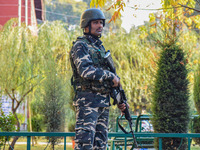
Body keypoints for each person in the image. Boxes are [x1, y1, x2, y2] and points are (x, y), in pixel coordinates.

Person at [70, 8, 127, 150]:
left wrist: (119, 99)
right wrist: (111, 76)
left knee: (101, 146)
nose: (100, 26)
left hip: (103, 103)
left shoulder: (100, 48)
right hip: (87, 103)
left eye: (101, 23)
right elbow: (86, 71)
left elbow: (108, 79)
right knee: (85, 145)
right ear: (86, 25)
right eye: (95, 22)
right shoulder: (80, 46)